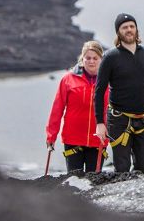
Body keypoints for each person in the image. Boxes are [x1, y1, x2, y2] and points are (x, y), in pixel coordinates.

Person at [94, 14, 144, 174]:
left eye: (131, 26)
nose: (129, 30)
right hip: (118, 120)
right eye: (124, 27)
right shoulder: (110, 57)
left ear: (136, 29)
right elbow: (99, 91)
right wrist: (100, 123)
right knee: (121, 169)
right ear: (118, 32)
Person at [46, 40, 109, 173]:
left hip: (98, 140)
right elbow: (57, 109)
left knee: (94, 183)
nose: (91, 61)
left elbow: (114, 110)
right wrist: (51, 136)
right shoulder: (68, 79)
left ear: (101, 59)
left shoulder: (108, 81)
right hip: (73, 139)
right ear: (82, 58)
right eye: (88, 58)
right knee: (73, 182)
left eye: (95, 58)